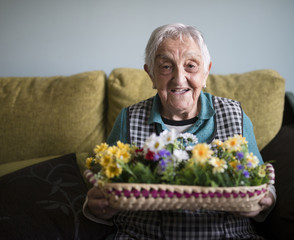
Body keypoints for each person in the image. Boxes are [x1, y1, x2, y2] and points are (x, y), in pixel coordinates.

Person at [83, 23, 276, 239]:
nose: (179, 78)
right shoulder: (128, 119)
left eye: (191, 66)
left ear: (206, 71)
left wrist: (264, 200)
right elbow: (100, 189)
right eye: (166, 67)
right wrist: (96, 206)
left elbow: (261, 183)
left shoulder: (235, 115)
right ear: (151, 75)